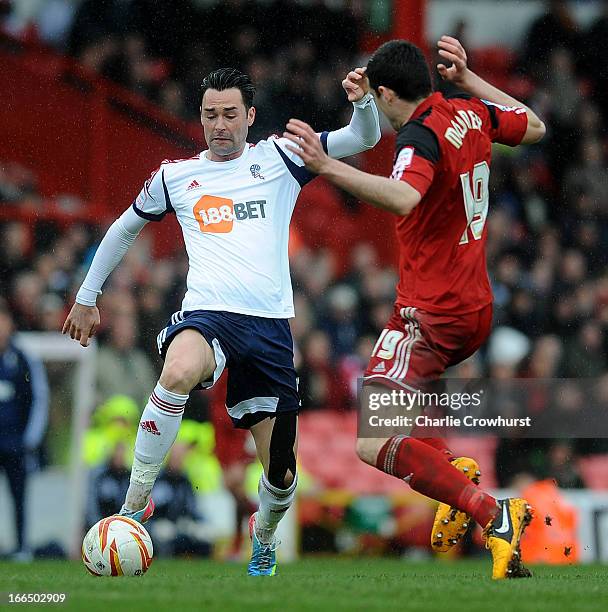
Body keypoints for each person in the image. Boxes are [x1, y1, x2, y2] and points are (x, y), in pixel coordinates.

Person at [62, 66, 381, 576]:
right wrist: (87, 295)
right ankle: (133, 504)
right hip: (209, 314)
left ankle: (265, 533)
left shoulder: (281, 156)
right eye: (211, 114)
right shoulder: (176, 176)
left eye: (230, 114)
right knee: (176, 371)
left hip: (271, 328)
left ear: (250, 116)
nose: (220, 124)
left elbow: (363, 137)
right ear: (201, 119)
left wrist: (363, 103)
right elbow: (123, 229)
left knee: (280, 474)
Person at [284, 36, 545, 579]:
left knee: (373, 439)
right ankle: (454, 471)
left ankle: (491, 514)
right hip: (474, 307)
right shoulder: (469, 110)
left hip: (430, 313)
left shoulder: (419, 136)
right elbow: (535, 126)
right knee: (405, 422)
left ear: (386, 92)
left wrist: (325, 166)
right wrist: (470, 79)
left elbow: (404, 196)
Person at [0, 301, 49, 560]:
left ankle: (21, 547)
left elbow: (39, 397)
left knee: (18, 497)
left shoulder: (21, 359)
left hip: (14, 444)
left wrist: (29, 439)